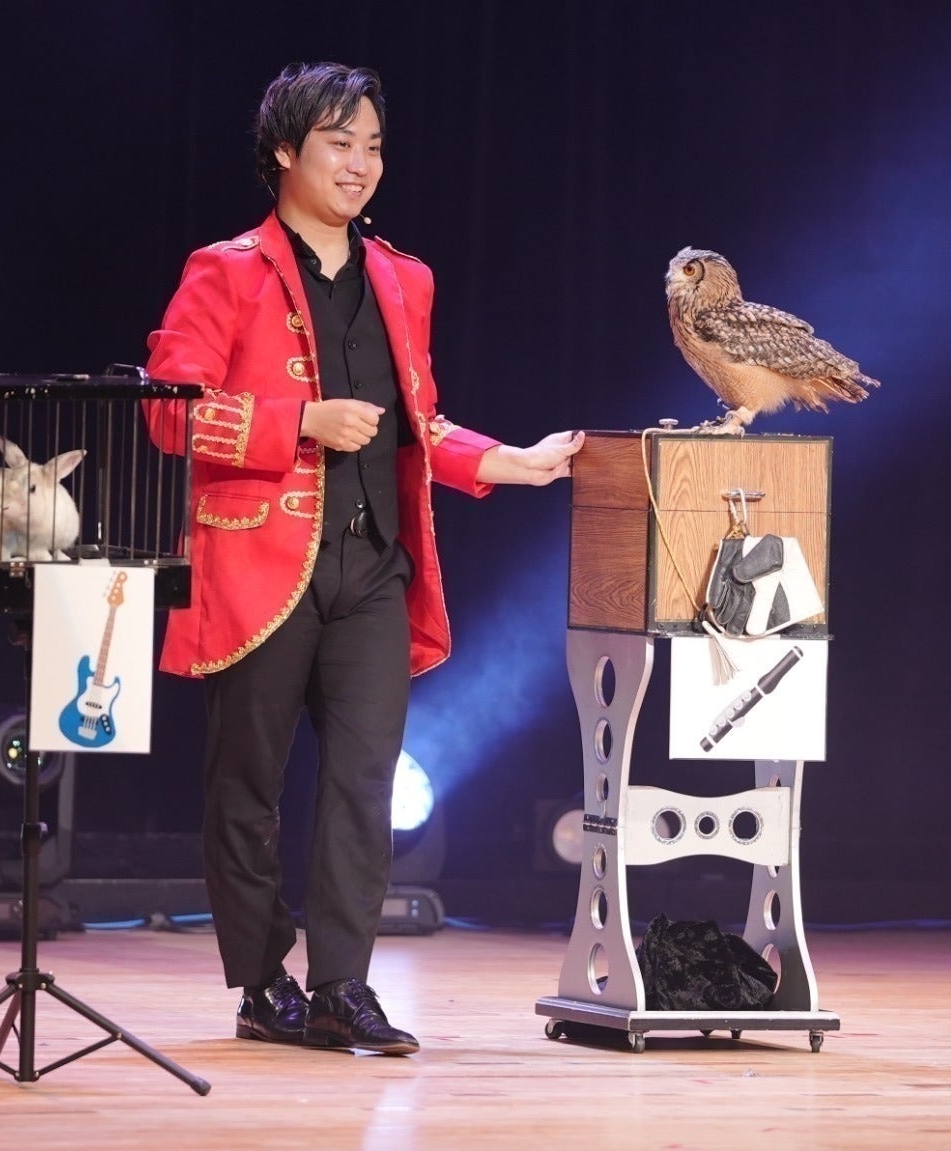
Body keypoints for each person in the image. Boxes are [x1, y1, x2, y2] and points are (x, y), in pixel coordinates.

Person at [144, 62, 582, 1055]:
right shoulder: (226, 269)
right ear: (284, 152)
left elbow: (418, 423)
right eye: (339, 143)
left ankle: (343, 983)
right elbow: (169, 414)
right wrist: (297, 420)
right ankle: (262, 982)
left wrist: (508, 462)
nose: (360, 164)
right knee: (246, 787)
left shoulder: (403, 278)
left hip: (373, 566)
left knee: (363, 782)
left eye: (373, 145)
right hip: (260, 568)